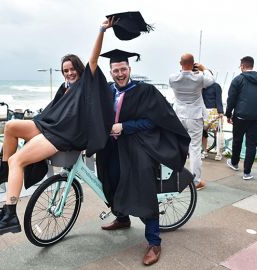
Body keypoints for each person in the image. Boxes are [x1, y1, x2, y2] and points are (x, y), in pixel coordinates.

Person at [0, 34, 115, 236]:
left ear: (80, 69)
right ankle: (2, 169)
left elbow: (94, 59)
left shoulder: (86, 83)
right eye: (65, 71)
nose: (69, 73)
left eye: (72, 69)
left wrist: (102, 31)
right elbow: (52, 111)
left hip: (63, 135)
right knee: (10, 126)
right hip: (49, 126)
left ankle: (10, 214)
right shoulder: (65, 88)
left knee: (17, 161)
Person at [95, 16, 191, 266]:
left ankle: (154, 242)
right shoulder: (106, 90)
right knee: (111, 181)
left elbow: (156, 120)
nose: (119, 73)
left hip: (138, 145)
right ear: (111, 71)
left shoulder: (145, 92)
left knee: (143, 187)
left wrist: (124, 126)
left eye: (123, 69)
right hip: (112, 148)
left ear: (130, 69)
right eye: (115, 70)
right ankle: (123, 218)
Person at [169, 54, 215, 190]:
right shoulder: (199, 78)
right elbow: (211, 80)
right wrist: (203, 68)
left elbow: (182, 75)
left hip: (179, 116)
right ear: (194, 63)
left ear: (180, 63)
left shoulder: (172, 78)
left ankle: (173, 177)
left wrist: (186, 69)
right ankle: (195, 181)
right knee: (194, 149)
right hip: (194, 117)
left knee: (177, 147)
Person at [225, 56, 257, 180]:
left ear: (243, 66)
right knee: (252, 144)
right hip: (256, 117)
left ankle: (234, 163)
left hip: (240, 116)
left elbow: (231, 99)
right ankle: (247, 172)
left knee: (237, 140)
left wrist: (228, 114)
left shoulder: (238, 79)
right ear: (252, 66)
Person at [201, 80, 224, 160]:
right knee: (204, 133)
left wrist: (220, 112)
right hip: (204, 111)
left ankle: (219, 152)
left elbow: (219, 99)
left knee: (217, 133)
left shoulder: (216, 86)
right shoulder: (202, 86)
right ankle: (204, 151)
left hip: (214, 111)